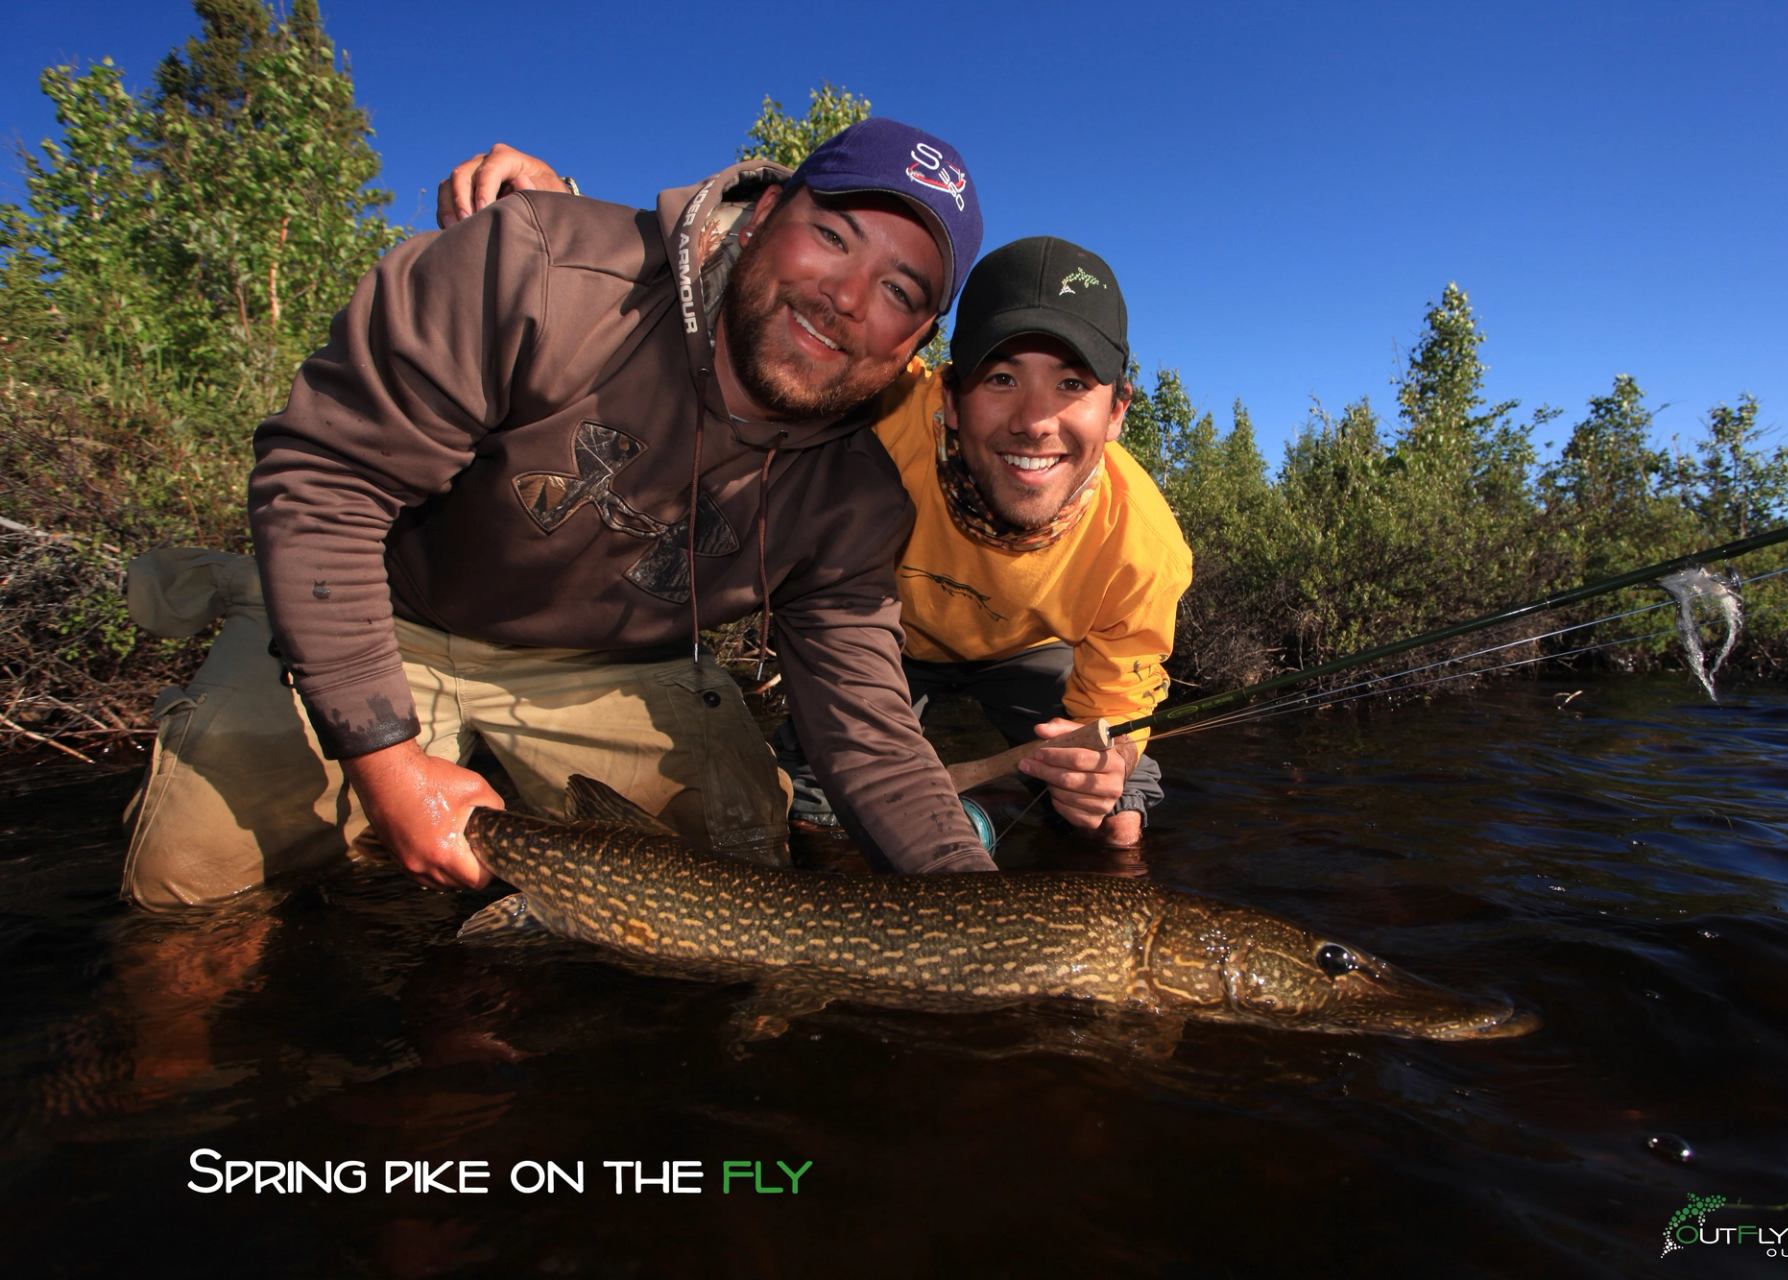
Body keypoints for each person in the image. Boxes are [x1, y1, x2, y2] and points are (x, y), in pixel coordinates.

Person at [121, 118, 998, 911]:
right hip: (383, 608)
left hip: (600, 665)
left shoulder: (855, 502)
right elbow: (325, 485)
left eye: (899, 292)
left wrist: (987, 917)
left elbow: (871, 739)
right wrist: (389, 767)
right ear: (767, 211)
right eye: (833, 236)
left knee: (741, 852)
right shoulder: (539, 268)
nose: (847, 297)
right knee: (186, 887)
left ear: (915, 342)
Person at [441, 149, 1191, 849]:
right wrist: (565, 207)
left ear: (1118, 410)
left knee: (1112, 829)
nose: (1034, 419)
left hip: (1028, 657)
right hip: (889, 647)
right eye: (1001, 378)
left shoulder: (1146, 550)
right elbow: (736, 311)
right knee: (810, 822)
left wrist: (1104, 767)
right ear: (950, 396)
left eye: (1072, 384)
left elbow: (1113, 723)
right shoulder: (877, 405)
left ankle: (992, 818)